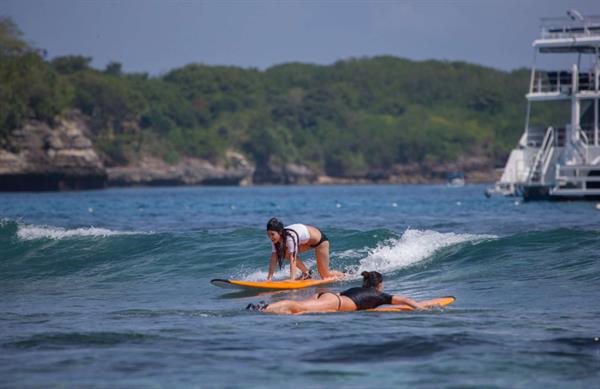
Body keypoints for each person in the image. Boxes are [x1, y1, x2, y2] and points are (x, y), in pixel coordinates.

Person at [248, 271, 424, 314]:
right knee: (298, 306)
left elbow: (336, 295)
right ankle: (263, 308)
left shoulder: (358, 289)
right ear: (379, 285)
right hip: (335, 303)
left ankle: (270, 308)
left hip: (331, 297)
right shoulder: (380, 296)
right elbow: (405, 300)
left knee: (300, 309)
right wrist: (422, 310)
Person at [266, 218, 344, 281]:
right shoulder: (275, 240)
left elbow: (293, 258)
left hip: (320, 241)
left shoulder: (290, 237)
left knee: (325, 276)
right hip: (306, 242)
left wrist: (292, 279)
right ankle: (307, 273)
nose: (270, 237)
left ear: (280, 232)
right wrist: (269, 278)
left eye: (272, 234)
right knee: (284, 252)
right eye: (268, 234)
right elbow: (273, 258)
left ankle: (345, 275)